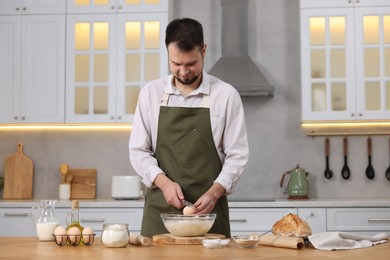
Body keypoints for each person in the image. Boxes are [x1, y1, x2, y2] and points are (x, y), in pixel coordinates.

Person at [129, 18, 249, 238]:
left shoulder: (226, 95)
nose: (183, 71)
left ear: (203, 51)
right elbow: (138, 151)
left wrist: (215, 193)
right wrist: (163, 183)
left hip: (208, 216)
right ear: (167, 54)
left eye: (190, 63)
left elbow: (237, 156)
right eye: (176, 63)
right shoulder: (151, 93)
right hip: (160, 214)